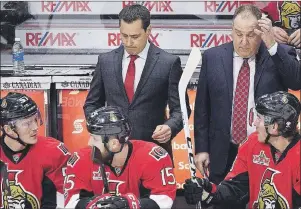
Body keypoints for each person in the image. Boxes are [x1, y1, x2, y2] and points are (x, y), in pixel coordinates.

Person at [194, 4, 301, 188]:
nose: (243, 41)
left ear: (261, 32)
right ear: (231, 31)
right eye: (238, 34)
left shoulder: (276, 54)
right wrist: (202, 149)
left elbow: (296, 82)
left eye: (251, 35)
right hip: (222, 152)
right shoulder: (212, 57)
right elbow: (203, 108)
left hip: (266, 151)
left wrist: (273, 46)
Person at [83, 4, 190, 157]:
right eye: (124, 35)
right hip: (111, 152)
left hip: (153, 152)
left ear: (148, 31)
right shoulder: (105, 61)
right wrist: (102, 130)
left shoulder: (169, 63)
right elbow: (92, 104)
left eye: (134, 37)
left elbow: (181, 109)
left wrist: (170, 127)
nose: (128, 42)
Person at [184, 91, 301, 209]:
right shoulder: (252, 143)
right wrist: (208, 191)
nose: (254, 123)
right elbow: (236, 189)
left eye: (259, 118)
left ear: (274, 127)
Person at [64, 106, 176, 209]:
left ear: (114, 144)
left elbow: (163, 201)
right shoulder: (80, 159)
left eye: (95, 139)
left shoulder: (153, 157)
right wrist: (95, 204)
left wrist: (128, 203)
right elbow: (70, 203)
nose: (89, 143)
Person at [0, 92, 70, 209]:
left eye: (35, 119)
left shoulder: (53, 151)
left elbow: (63, 200)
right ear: (9, 129)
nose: (35, 127)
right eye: (27, 123)